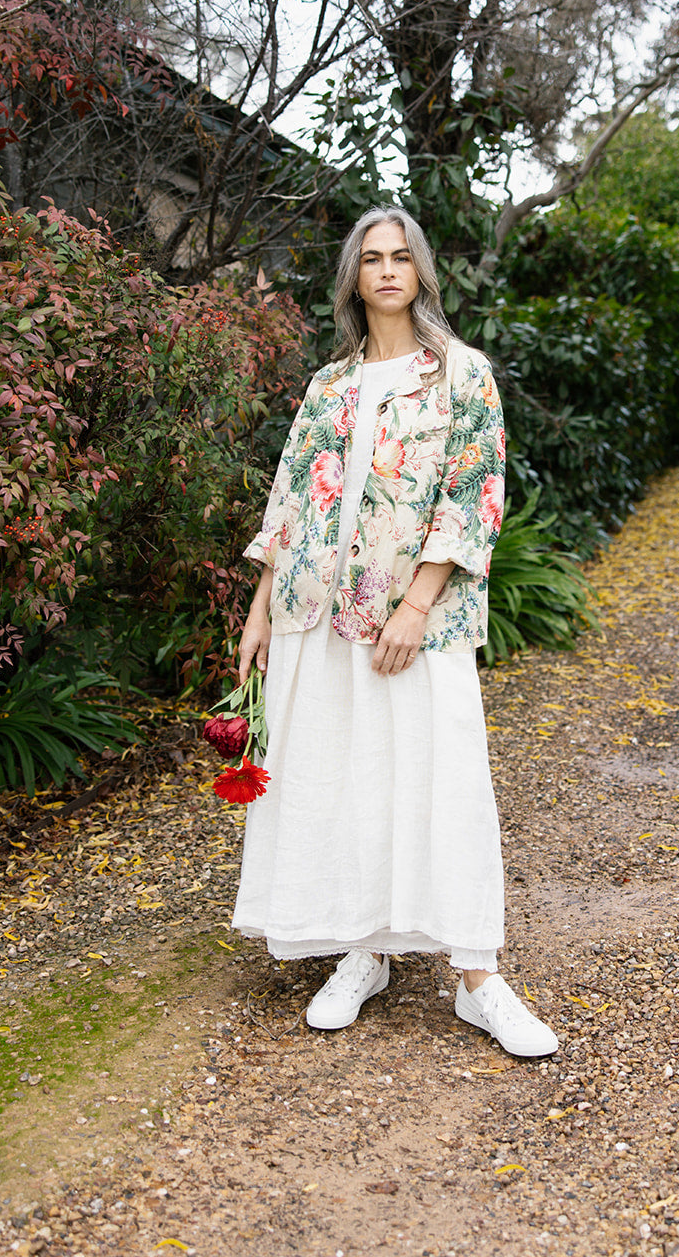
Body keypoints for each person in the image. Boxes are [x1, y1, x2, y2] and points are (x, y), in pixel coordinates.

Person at [232, 207, 557, 1058]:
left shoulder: (461, 373)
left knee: (441, 778)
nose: (385, 270)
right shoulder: (327, 385)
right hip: (313, 614)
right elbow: (289, 500)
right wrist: (259, 609)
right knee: (345, 776)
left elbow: (472, 496)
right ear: (353, 277)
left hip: (413, 618)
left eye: (399, 257)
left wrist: (414, 606)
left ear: (420, 273)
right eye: (371, 258)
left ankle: (477, 978)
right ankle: (363, 950)